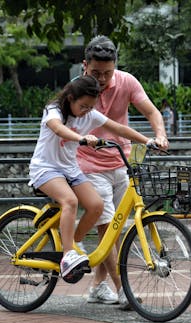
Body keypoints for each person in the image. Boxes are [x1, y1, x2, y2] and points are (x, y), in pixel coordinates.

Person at [28, 75, 152, 284]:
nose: (87, 111)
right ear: (70, 98)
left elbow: (119, 129)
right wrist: (81, 139)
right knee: (70, 201)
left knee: (96, 206)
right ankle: (68, 256)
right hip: (46, 169)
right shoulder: (53, 110)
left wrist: (149, 141)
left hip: (70, 169)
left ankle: (75, 242)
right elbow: (58, 128)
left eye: (90, 107)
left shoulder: (90, 115)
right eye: (83, 106)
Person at [76, 35, 169, 308]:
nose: (102, 79)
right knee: (107, 227)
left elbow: (151, 111)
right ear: (85, 66)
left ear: (115, 66)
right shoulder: (77, 88)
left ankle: (96, 286)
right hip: (89, 164)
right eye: (96, 73)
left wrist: (160, 134)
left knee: (115, 231)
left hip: (123, 162)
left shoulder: (127, 81)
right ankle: (122, 289)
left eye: (108, 73)